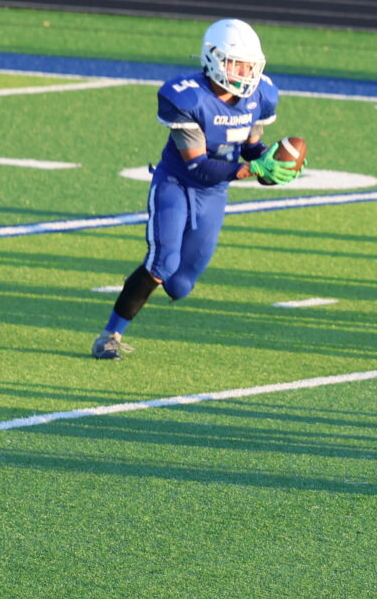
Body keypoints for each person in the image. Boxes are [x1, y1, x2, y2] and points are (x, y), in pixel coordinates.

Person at [92, 19, 304, 359]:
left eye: (250, 64)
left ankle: (149, 295)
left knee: (180, 285)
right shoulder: (187, 97)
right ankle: (110, 335)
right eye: (237, 63)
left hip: (214, 193)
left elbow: (251, 147)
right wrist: (253, 169)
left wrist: (272, 164)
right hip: (176, 184)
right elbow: (198, 165)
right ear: (214, 59)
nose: (245, 72)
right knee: (163, 262)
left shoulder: (261, 95)